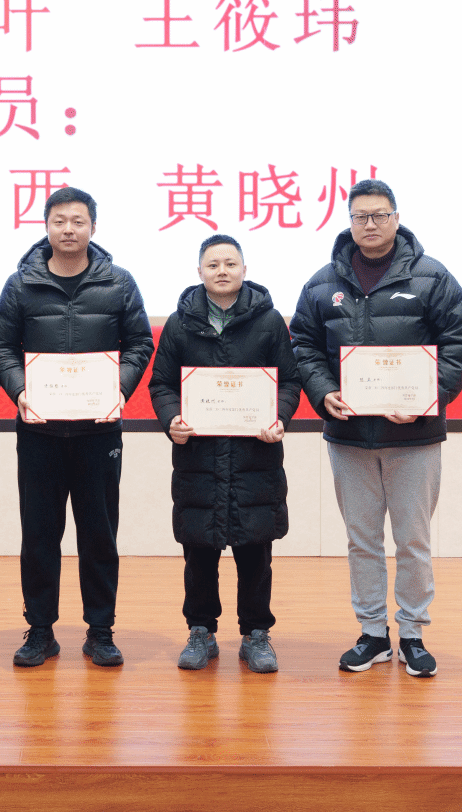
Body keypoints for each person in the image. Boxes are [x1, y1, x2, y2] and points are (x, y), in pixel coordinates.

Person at [290, 178, 462, 679]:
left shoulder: (432, 278)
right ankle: (372, 632)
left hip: (414, 437)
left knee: (413, 541)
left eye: (379, 215)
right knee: (362, 541)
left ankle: (412, 633)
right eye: (360, 216)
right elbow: (302, 345)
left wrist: (427, 399)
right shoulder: (322, 283)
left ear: (396, 217)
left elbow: (461, 341)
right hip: (349, 437)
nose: (369, 224)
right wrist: (322, 391)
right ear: (349, 221)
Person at [0, 186, 154, 669]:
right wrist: (19, 390)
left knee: (99, 534)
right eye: (59, 221)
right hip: (38, 431)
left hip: (98, 431)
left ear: (93, 228)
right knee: (39, 534)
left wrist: (118, 389)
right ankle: (40, 631)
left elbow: (140, 343)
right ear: (46, 226)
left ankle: (100, 631)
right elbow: (3, 348)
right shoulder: (20, 284)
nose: (68, 229)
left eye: (78, 221)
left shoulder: (119, 283)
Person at [147, 234, 300, 674]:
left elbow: (289, 381)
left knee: (255, 553)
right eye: (212, 264)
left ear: (244, 270)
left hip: (256, 456)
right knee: (199, 552)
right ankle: (201, 632)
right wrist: (172, 419)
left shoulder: (269, 322)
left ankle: (256, 635)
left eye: (230, 263)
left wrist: (280, 417)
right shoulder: (179, 324)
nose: (222, 271)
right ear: (199, 272)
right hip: (198, 457)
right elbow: (162, 384)